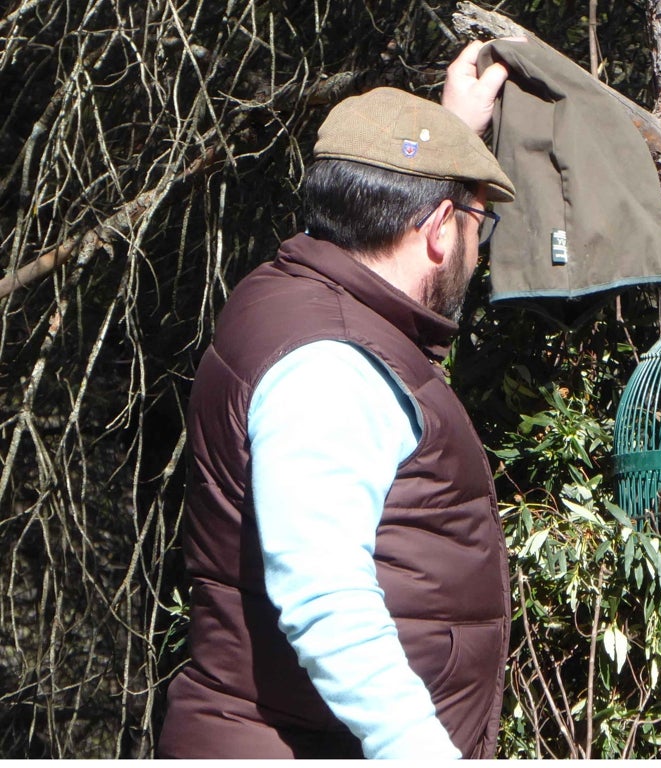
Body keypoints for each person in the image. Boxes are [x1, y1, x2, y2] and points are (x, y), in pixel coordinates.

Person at [158, 42, 516, 759]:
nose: (479, 252)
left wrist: (449, 132)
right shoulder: (333, 368)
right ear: (438, 230)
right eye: (479, 224)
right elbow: (327, 602)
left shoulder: (296, 294)